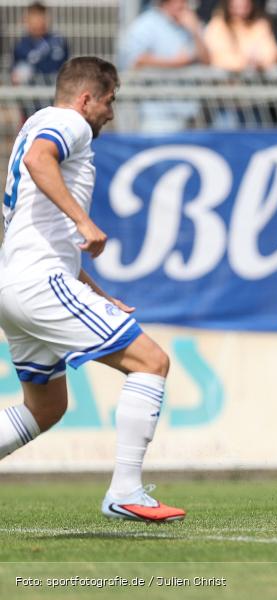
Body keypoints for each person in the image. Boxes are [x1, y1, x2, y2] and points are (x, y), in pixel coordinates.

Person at [0, 57, 185, 523]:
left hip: (16, 283)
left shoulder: (33, 125)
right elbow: (39, 160)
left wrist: (97, 292)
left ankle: (126, 492)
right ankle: (125, 492)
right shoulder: (69, 123)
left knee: (45, 407)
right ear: (86, 99)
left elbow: (47, 235)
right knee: (151, 362)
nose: (111, 113)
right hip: (40, 283)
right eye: (109, 101)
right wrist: (85, 221)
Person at [118, 0, 209, 71]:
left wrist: (195, 31)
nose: (184, 4)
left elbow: (207, 62)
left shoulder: (190, 24)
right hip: (154, 88)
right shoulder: (146, 25)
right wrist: (174, 63)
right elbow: (134, 61)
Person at [204, 0, 277, 72]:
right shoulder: (217, 25)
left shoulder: (261, 26)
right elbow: (215, 56)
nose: (240, 5)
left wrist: (259, 63)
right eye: (237, 4)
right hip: (223, 79)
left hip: (255, 79)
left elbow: (269, 55)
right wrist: (244, 63)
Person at [10, 2, 69, 85]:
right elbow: (15, 73)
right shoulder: (21, 46)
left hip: (54, 88)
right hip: (29, 90)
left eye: (41, 17)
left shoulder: (58, 42)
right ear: (27, 20)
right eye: (33, 18)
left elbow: (64, 69)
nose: (37, 22)